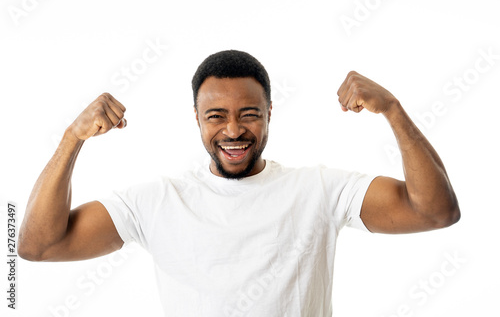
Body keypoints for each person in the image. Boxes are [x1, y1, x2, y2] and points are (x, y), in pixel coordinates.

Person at [18, 49, 460, 316]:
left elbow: (435, 211)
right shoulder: (155, 201)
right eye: (216, 116)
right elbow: (39, 245)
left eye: (249, 114)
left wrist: (393, 110)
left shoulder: (321, 191)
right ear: (196, 119)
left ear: (270, 114)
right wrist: (71, 138)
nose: (233, 130)